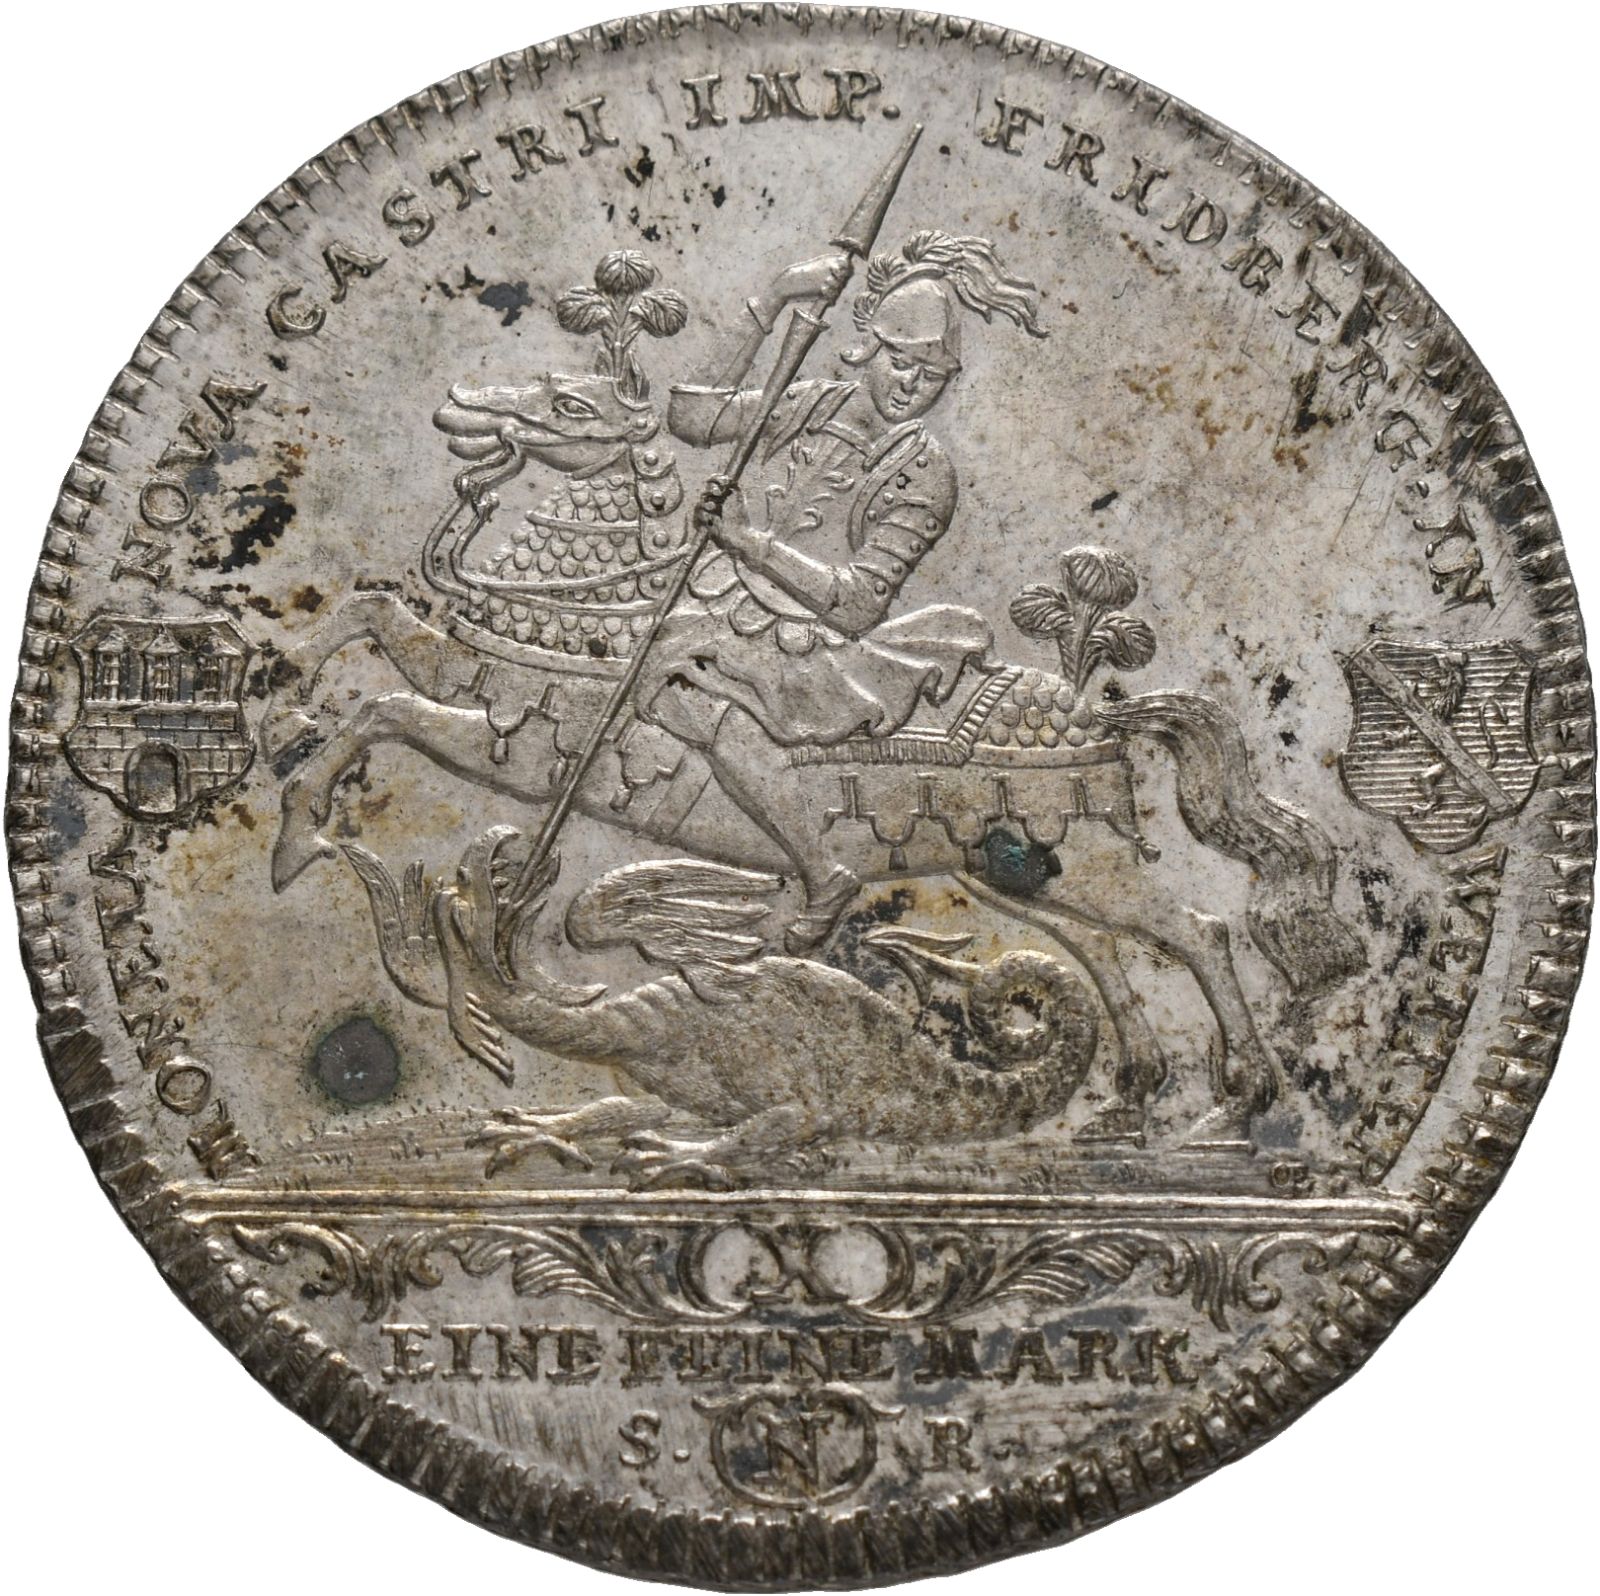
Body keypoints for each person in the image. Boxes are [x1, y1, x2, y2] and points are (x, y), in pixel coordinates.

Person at [636, 230, 1046, 952]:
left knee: (682, 686)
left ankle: (820, 870)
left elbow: (858, 604)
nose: (912, 384)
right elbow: (692, 417)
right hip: (716, 603)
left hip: (811, 646)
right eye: (901, 360)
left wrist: (747, 542)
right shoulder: (810, 402)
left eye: (932, 373)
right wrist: (772, 301)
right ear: (868, 348)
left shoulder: (926, 472)